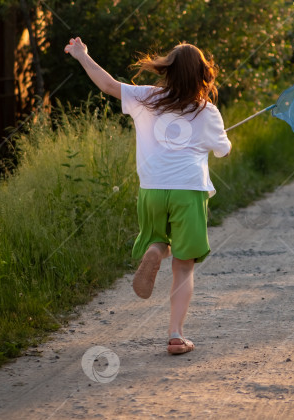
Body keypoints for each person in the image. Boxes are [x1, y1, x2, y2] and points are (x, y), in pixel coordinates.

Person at [64, 37, 231, 355]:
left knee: (158, 240)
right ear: (201, 75)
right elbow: (223, 151)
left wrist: (82, 55)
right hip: (189, 191)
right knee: (184, 267)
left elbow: (109, 84)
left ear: (167, 70)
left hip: (152, 189)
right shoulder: (207, 111)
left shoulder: (147, 97)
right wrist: (219, 139)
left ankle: (155, 249)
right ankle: (175, 335)